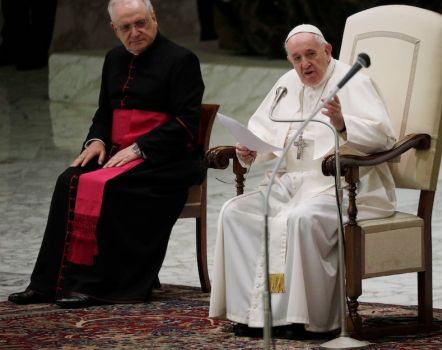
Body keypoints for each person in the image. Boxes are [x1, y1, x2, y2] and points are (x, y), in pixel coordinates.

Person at [8, 0, 205, 308]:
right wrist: (96, 141)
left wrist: (140, 148)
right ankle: (48, 283)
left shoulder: (182, 60)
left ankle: (102, 287)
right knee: (68, 180)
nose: (135, 32)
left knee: (112, 188)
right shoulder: (113, 59)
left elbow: (186, 122)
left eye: (141, 23)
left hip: (165, 160)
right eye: (126, 27)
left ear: (154, 18)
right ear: (115, 30)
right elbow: (104, 112)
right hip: (116, 155)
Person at [209, 24, 397, 337]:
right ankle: (251, 314)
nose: (304, 64)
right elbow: (264, 132)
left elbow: (384, 136)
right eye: (296, 58)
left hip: (342, 186)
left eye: (310, 54)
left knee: (302, 219)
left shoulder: (353, 80)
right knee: (235, 212)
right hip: (290, 184)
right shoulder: (286, 84)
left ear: (328, 51)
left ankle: (309, 320)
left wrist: (341, 122)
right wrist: (249, 149)